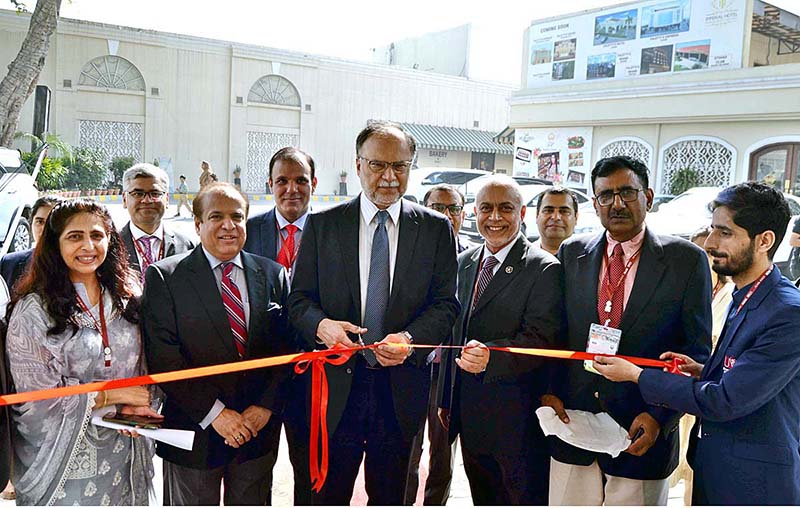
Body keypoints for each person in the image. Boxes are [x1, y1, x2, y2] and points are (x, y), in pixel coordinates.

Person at [594, 182, 800, 505]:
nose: (711, 242)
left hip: (755, 484)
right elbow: (744, 376)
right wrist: (703, 370)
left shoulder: (787, 312)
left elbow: (724, 400)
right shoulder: (744, 294)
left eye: (725, 233)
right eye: (711, 230)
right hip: (714, 468)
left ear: (765, 241)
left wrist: (637, 375)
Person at [289, 121, 459, 505]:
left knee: (391, 495)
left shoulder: (434, 230)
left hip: (400, 392)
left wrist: (409, 340)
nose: (389, 177)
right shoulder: (323, 226)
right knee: (327, 495)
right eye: (378, 165)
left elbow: (446, 304)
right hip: (335, 391)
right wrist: (323, 327)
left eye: (400, 166)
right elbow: (298, 301)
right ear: (358, 164)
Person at [542, 155, 712, 506]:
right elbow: (555, 332)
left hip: (641, 432)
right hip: (573, 426)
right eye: (606, 195)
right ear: (594, 203)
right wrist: (549, 392)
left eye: (627, 193)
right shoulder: (572, 253)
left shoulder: (686, 260)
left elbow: (694, 352)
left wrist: (661, 417)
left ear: (648, 197)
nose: (616, 204)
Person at [142, 182, 294, 506]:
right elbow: (164, 359)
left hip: (256, 434)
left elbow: (286, 350)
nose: (228, 225)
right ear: (197, 224)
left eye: (237, 217)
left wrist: (265, 407)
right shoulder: (166, 277)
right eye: (216, 217)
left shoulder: (273, 275)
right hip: (193, 433)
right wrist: (217, 415)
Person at [5, 199, 157, 505]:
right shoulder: (34, 311)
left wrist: (139, 408)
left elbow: (146, 368)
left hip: (124, 451)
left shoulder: (128, 297)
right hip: (64, 466)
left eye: (97, 235)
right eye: (75, 237)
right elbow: (34, 397)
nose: (88, 245)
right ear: (54, 244)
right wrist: (116, 396)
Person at [438, 176, 562, 505]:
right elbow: (453, 333)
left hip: (518, 421)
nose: (495, 218)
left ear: (522, 213)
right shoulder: (463, 263)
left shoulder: (543, 269)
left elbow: (542, 340)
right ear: (474, 213)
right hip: (469, 418)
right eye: (486, 209)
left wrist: (492, 357)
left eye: (505, 208)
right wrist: (445, 399)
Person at [243, 146, 317, 504]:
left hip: (312, 376)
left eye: (301, 180)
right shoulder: (246, 230)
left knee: (310, 473)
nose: (292, 189)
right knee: (254, 476)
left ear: (313, 184)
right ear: (269, 184)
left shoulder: (330, 230)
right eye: (282, 181)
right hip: (259, 378)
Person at [404, 183, 467, 505]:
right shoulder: (412, 254)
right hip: (415, 368)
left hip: (451, 376)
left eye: (453, 208)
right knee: (408, 451)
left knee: (443, 456)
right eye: (437, 208)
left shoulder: (471, 259)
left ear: (462, 213)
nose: (446, 215)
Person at [670, 226, 736, 505]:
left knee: (696, 477)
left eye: (707, 254)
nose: (701, 259)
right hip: (678, 391)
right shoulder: (676, 292)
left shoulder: (734, 295)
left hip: (709, 397)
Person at [119, 164, 195, 285]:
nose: (147, 200)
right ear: (124, 199)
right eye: (138, 194)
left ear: (167, 199)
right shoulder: (110, 246)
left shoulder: (187, 246)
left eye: (155, 193)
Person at [0, 195, 63, 292]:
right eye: (40, 221)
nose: (44, 228)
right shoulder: (9, 264)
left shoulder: (80, 265)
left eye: (52, 221)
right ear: (31, 223)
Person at [534, 186, 578, 255]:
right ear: (537, 215)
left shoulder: (590, 259)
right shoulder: (521, 257)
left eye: (564, 211)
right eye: (548, 211)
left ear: (576, 217)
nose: (556, 217)